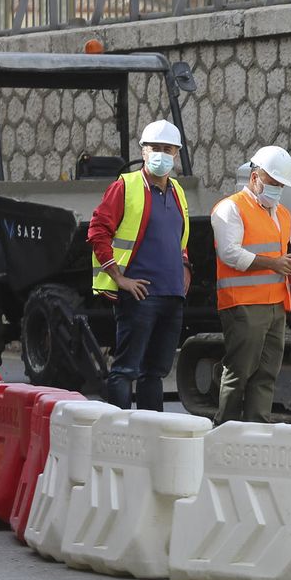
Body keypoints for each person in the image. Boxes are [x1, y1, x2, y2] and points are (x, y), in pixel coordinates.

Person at [86, 119, 191, 412]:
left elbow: (179, 239)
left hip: (171, 296)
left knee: (154, 373)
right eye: (154, 148)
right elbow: (98, 231)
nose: (161, 154)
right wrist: (119, 277)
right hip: (139, 296)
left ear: (176, 154)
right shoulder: (125, 186)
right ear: (143, 152)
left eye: (167, 149)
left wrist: (185, 266)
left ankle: (150, 433)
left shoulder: (178, 192)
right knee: (126, 370)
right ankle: (118, 432)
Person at [212, 146, 291, 424]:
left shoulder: (283, 213)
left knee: (266, 373)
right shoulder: (230, 208)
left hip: (276, 304)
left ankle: (257, 428)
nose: (276, 189)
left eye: (280, 185)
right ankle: (225, 427)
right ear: (255, 178)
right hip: (243, 304)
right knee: (240, 370)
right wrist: (273, 263)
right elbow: (229, 253)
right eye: (273, 183)